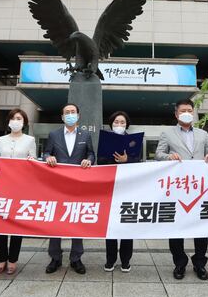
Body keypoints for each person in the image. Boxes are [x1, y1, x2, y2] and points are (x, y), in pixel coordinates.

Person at [155, 99, 208, 280]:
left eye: (189, 110)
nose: (186, 113)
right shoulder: (167, 133)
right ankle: (179, 263)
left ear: (193, 112)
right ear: (176, 114)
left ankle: (200, 263)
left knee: (201, 226)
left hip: (199, 187)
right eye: (182, 111)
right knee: (176, 227)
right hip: (178, 187)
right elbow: (158, 154)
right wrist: (169, 156)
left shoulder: (203, 134)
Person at [43, 102, 95, 275]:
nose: (70, 115)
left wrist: (89, 160)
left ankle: (76, 258)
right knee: (56, 221)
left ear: (78, 116)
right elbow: (46, 152)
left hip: (78, 186)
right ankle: (55, 257)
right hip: (57, 186)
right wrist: (48, 157)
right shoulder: (54, 134)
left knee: (76, 221)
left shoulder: (85, 135)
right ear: (62, 117)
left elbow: (91, 153)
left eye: (73, 112)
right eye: (67, 112)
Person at [0, 108, 36, 275]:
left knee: (16, 224)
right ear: (9, 121)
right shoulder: (1, 140)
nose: (16, 121)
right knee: (1, 224)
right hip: (2, 187)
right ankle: (2, 259)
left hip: (20, 188)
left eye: (19, 118)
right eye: (13, 118)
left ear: (24, 123)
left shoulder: (30, 140)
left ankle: (13, 260)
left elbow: (34, 161)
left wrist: (32, 160)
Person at [102, 111, 139, 273]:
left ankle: (125, 261)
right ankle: (110, 260)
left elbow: (138, 161)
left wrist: (127, 160)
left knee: (126, 225)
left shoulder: (134, 140)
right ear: (111, 124)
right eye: (116, 122)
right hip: (110, 188)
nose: (119, 125)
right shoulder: (105, 139)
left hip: (128, 188)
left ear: (127, 125)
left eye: (122, 122)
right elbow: (100, 161)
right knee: (110, 225)